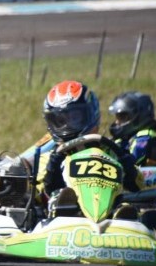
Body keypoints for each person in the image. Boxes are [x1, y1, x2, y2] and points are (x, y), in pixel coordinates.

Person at [38, 80, 141, 217]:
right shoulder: (47, 159)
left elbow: (138, 184)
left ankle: (120, 213)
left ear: (91, 114)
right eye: (61, 121)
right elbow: (39, 191)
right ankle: (66, 206)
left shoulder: (112, 153)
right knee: (54, 196)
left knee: (124, 203)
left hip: (110, 219)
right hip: (61, 222)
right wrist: (54, 166)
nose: (67, 126)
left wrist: (127, 163)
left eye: (74, 117)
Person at [107, 91, 156, 166]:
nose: (117, 122)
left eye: (122, 117)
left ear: (138, 116)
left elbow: (132, 160)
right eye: (117, 117)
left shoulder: (145, 137)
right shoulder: (124, 139)